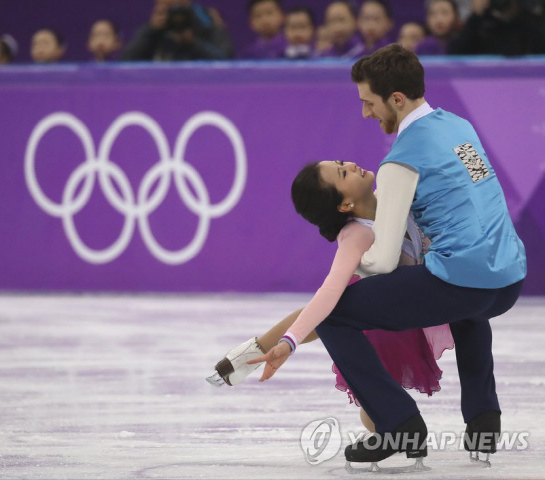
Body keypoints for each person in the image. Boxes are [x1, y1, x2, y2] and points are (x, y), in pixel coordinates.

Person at [251, 44, 526, 470]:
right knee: (470, 307)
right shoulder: (459, 127)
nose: (365, 113)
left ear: (396, 99)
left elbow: (380, 261)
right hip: (508, 278)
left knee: (335, 315)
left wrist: (348, 259)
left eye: (369, 103)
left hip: (463, 281)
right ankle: (484, 422)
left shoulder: (400, 160)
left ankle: (397, 424)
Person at [208, 159, 455, 434]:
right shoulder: (356, 233)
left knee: (335, 309)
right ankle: (256, 351)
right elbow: (327, 294)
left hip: (408, 299)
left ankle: (254, 350)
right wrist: (290, 342)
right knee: (336, 313)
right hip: (379, 323)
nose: (350, 164)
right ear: (345, 205)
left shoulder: (391, 194)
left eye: (341, 163)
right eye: (342, 172)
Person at [121, 0, 232, 61]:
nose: (173, 15)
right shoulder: (152, 31)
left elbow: (225, 62)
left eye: (175, 7)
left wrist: (192, 43)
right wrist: (151, 31)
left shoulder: (207, 21)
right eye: (165, 7)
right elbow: (126, 63)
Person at [448, 0, 545, 55]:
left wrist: (518, 13)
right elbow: (454, 55)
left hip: (525, 81)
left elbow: (541, 46)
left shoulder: (526, 19)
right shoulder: (480, 21)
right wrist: (475, 16)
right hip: (486, 82)